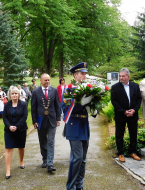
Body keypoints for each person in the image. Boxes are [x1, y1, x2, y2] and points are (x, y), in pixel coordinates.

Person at [62, 62, 93, 190]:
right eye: (82, 73)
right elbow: (65, 108)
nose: (84, 76)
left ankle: (79, 185)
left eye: (85, 73)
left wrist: (93, 107)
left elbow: (92, 107)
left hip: (84, 125)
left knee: (83, 159)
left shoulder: (90, 88)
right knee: (77, 158)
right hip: (74, 125)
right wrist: (81, 103)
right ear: (75, 75)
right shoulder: (69, 90)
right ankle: (71, 187)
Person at [111, 68, 142, 162]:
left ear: (128, 76)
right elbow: (114, 101)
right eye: (120, 76)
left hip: (133, 115)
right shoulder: (115, 87)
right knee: (119, 134)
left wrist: (134, 110)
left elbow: (139, 99)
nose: (121, 78)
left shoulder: (135, 86)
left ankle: (132, 152)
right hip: (121, 115)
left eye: (123, 76)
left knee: (133, 133)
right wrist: (123, 111)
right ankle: (120, 153)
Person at [31, 73, 60, 172]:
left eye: (48, 80)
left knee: (51, 141)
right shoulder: (35, 92)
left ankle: (50, 163)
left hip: (52, 119)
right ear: (41, 80)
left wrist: (58, 118)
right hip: (40, 120)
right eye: (45, 80)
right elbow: (33, 108)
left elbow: (57, 105)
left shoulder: (54, 90)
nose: (47, 82)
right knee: (43, 140)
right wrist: (34, 121)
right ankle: (45, 159)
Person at [3, 86, 28, 179]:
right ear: (10, 94)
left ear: (19, 94)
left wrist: (17, 126)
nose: (14, 95)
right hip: (9, 130)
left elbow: (25, 116)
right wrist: (10, 126)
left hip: (21, 129)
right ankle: (8, 169)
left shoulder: (23, 104)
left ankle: (21, 161)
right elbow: (4, 117)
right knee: (9, 148)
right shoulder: (6, 105)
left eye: (16, 93)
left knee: (21, 147)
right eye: (12, 93)